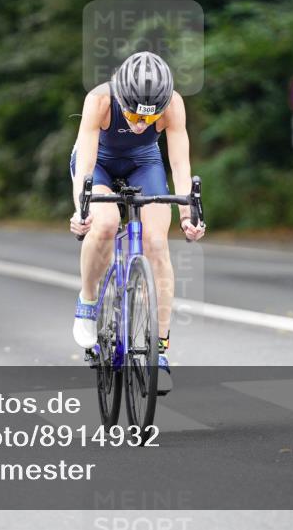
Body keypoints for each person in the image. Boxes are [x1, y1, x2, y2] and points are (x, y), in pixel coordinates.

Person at [69, 51, 206, 392]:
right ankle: (87, 301)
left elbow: (180, 165)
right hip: (99, 163)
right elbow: (84, 166)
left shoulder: (172, 104)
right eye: (132, 114)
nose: (141, 124)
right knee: (104, 223)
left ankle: (159, 351)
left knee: (157, 244)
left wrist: (188, 213)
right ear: (121, 98)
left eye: (149, 117)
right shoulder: (99, 100)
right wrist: (81, 211)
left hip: (145, 163)